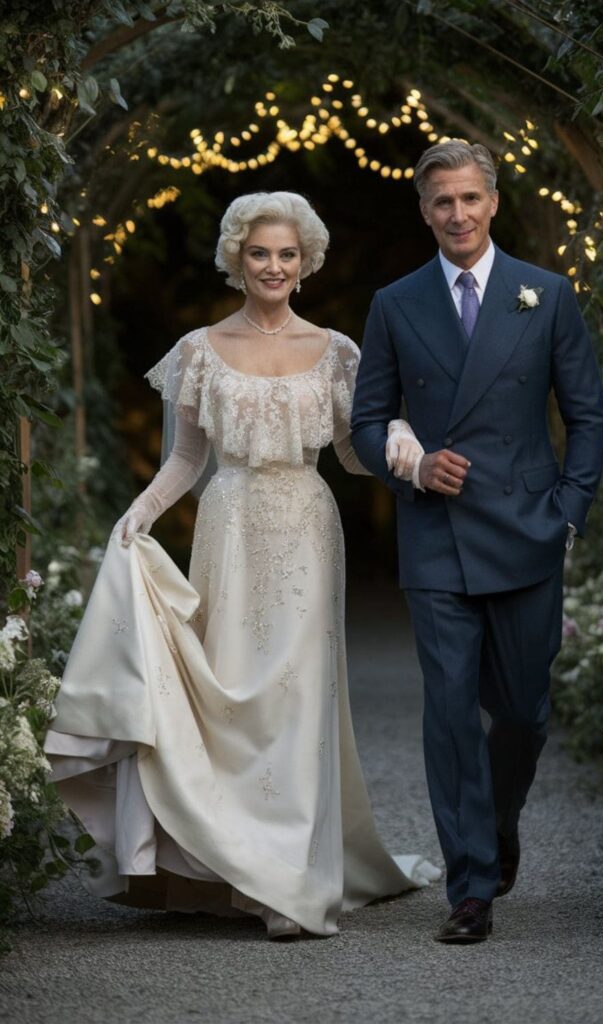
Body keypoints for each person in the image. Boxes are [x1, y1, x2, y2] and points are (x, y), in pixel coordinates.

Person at [44, 191, 438, 940]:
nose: (273, 266)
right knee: (225, 694)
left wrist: (407, 449)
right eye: (260, 253)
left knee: (297, 699)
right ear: (236, 257)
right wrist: (140, 515)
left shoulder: (337, 352)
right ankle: (228, 865)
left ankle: (287, 882)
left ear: (306, 261)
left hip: (306, 526)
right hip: (227, 525)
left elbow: (355, 455)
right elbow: (185, 461)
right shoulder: (198, 349)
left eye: (287, 254)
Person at [352, 141, 603, 943]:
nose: (456, 215)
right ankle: (469, 886)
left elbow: (587, 416)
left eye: (469, 199)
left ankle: (497, 824)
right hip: (436, 538)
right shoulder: (395, 304)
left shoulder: (547, 294)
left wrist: (565, 510)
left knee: (524, 712)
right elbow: (365, 424)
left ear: (492, 202)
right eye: (441, 202)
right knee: (452, 712)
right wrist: (414, 465)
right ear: (423, 210)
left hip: (527, 529)